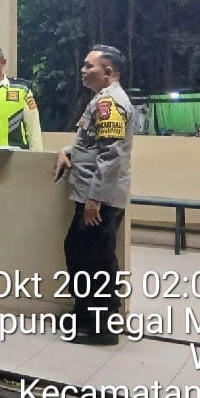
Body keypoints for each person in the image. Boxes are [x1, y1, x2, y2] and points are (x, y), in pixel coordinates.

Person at [52, 45, 133, 346]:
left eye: (89, 66)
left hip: (98, 200)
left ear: (108, 71)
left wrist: (95, 200)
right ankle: (84, 315)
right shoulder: (101, 99)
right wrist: (67, 150)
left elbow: (112, 155)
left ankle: (102, 328)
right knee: (79, 253)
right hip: (90, 195)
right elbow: (93, 143)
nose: (83, 70)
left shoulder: (110, 103)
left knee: (97, 262)